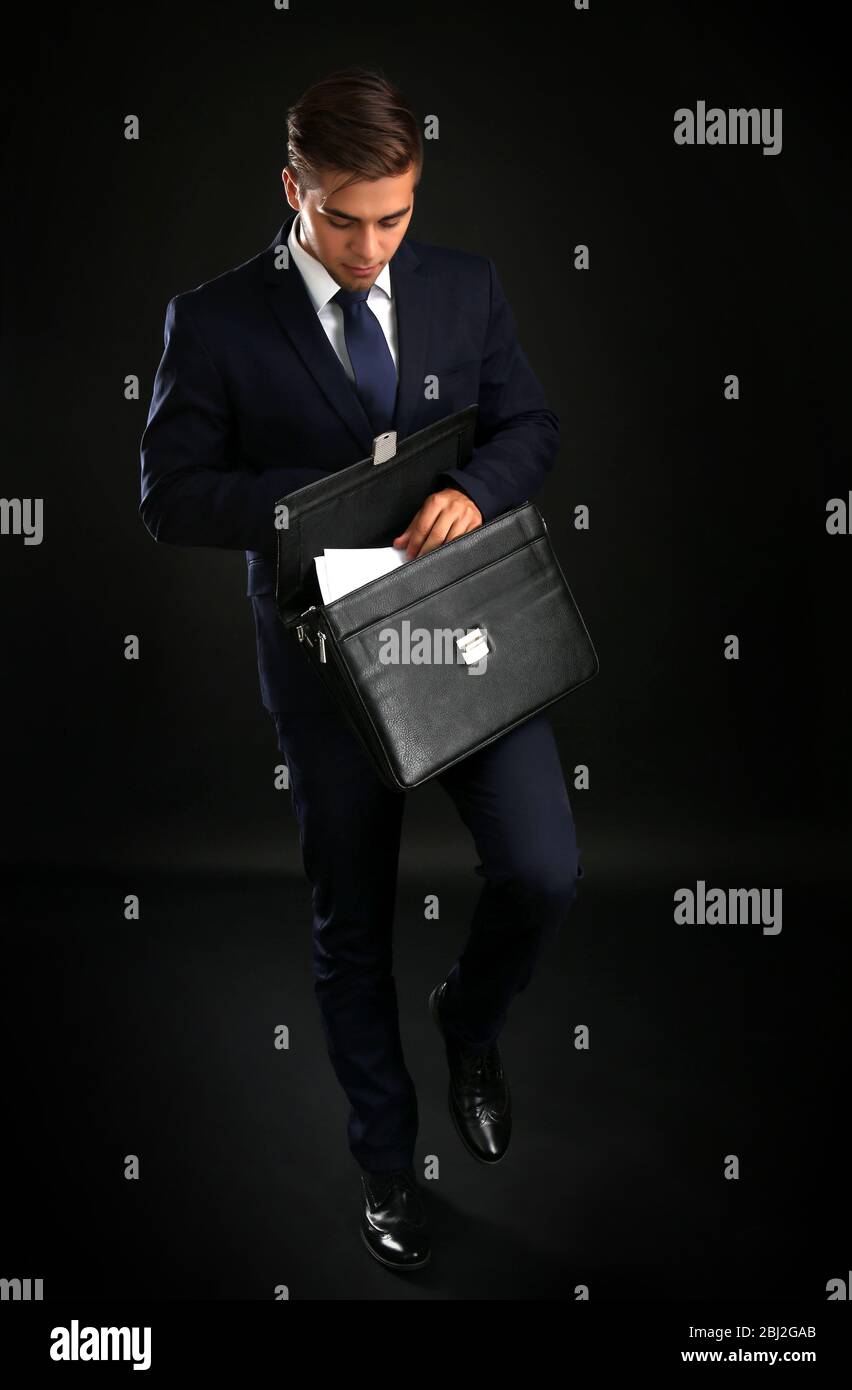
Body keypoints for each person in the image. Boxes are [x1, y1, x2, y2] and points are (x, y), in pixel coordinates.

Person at [139, 65, 583, 1272]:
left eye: (394, 217)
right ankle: (388, 1168)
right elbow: (167, 496)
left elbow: (528, 428)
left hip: (463, 623)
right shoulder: (215, 318)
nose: (372, 247)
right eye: (344, 217)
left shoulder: (465, 287)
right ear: (294, 189)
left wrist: (467, 490)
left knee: (540, 867)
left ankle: (469, 1021)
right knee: (351, 925)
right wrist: (326, 508)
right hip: (319, 654)